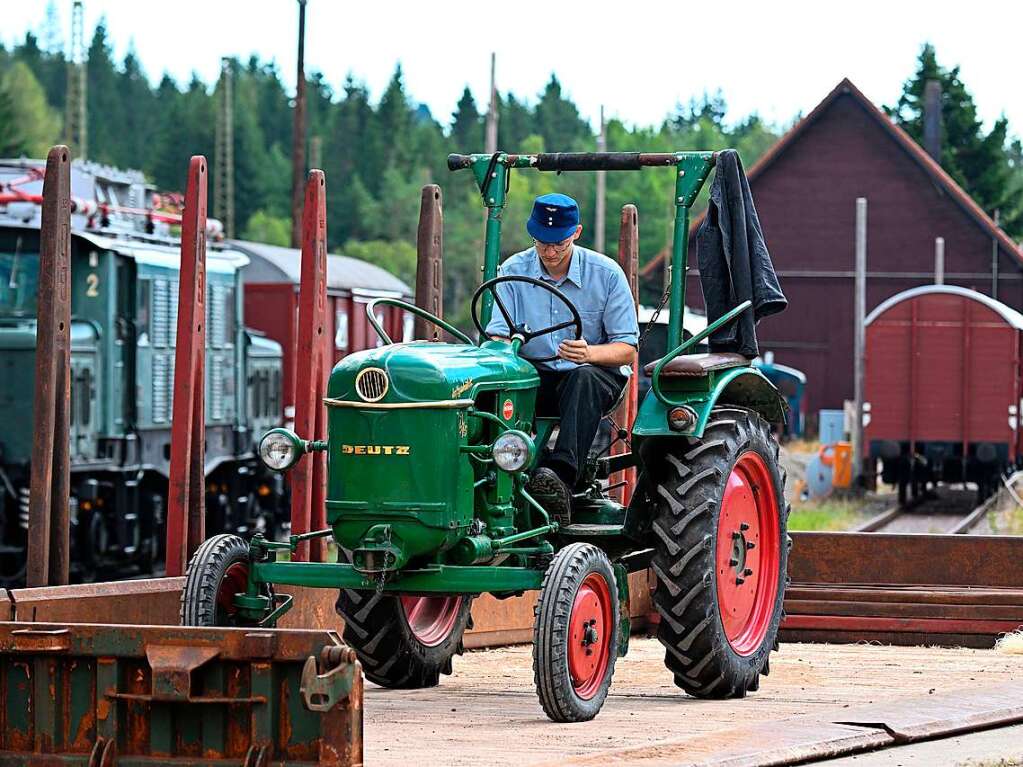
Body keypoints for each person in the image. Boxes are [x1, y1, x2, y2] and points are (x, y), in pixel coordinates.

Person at [486, 193, 639, 520]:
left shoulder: (606, 274)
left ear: (577, 233)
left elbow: (627, 347)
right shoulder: (513, 271)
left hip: (593, 374)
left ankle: (559, 479)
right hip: (533, 374)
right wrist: (502, 345)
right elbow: (497, 335)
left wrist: (590, 353)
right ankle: (492, 477)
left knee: (582, 377)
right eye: (541, 243)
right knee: (487, 388)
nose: (550, 252)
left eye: (559, 243)